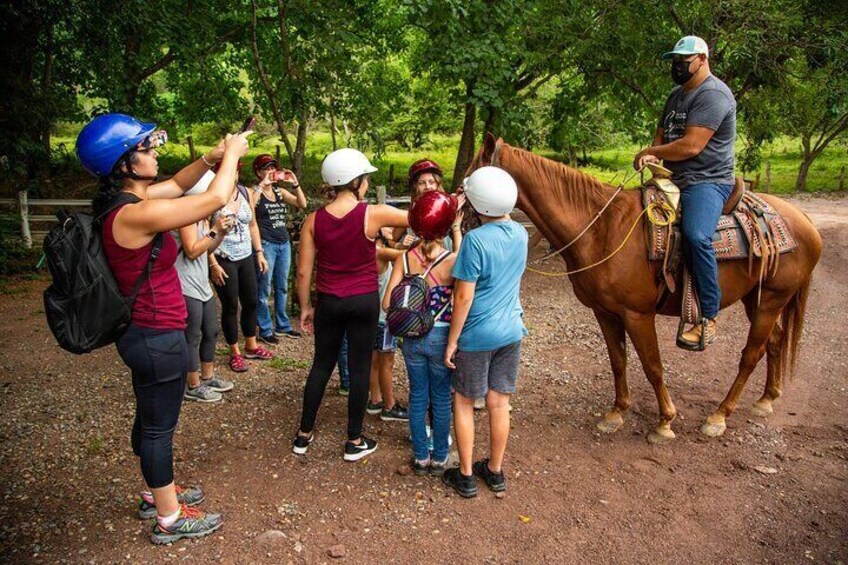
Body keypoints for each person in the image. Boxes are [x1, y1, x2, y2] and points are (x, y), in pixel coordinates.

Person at [76, 113, 250, 543]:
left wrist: (211, 156)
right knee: (158, 427)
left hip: (147, 333)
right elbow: (213, 201)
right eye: (146, 149)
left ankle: (160, 492)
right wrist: (231, 157)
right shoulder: (136, 215)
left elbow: (176, 186)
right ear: (124, 164)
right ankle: (169, 517)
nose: (154, 152)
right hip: (156, 334)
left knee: (152, 418)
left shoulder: (128, 202)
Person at [293, 148, 408, 461]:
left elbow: (304, 271)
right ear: (357, 182)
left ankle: (303, 435)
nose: (368, 183)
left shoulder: (314, 220)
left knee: (321, 364)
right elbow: (419, 219)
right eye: (366, 178)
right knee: (359, 367)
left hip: (330, 301)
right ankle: (354, 440)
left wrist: (305, 306)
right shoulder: (374, 214)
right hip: (364, 301)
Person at [633, 35, 737, 348]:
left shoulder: (714, 95)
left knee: (696, 235)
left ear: (702, 59)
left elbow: (691, 145)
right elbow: (662, 136)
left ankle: (709, 313)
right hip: (673, 178)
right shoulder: (675, 96)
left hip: (707, 181)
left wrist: (652, 149)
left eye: (683, 60)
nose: (677, 66)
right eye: (674, 61)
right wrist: (653, 157)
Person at [442, 166, 527, 498]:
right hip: (510, 330)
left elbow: (463, 296)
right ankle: (494, 470)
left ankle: (464, 475)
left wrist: (452, 341)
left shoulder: (475, 241)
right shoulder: (520, 233)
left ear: (476, 204)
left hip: (477, 335)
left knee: (463, 402)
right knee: (499, 402)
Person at [384, 191, 462, 477]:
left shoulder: (404, 259)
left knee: (418, 395)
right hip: (441, 337)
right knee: (441, 397)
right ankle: (440, 456)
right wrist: (456, 227)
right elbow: (464, 294)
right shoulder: (453, 261)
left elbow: (386, 303)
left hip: (412, 339)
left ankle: (420, 456)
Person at [173, 170, 235, 403]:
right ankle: (193, 384)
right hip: (185, 283)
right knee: (192, 335)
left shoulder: (202, 217)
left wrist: (221, 233)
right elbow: (191, 250)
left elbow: (208, 248)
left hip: (201, 282)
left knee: (211, 330)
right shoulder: (186, 217)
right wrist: (215, 230)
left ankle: (207, 377)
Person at [210, 163, 274, 372]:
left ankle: (251, 344)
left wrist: (259, 253)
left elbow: (252, 225)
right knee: (230, 305)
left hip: (246, 255)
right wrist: (212, 263)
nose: (232, 175)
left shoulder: (244, 192)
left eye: (235, 171)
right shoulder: (211, 197)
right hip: (223, 257)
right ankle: (234, 351)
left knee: (251, 301)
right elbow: (202, 232)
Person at [251, 154, 307, 344]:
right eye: (266, 168)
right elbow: (250, 206)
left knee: (282, 287)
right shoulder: (254, 192)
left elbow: (302, 204)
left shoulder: (280, 192)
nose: (271, 171)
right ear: (258, 172)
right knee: (264, 288)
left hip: (284, 243)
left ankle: (283, 325)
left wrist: (295, 183)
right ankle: (265, 328)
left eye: (273, 168)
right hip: (266, 244)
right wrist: (262, 185)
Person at [366, 229, 408, 422]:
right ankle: (389, 406)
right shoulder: (379, 251)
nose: (393, 230)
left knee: (374, 361)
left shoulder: (366, 250)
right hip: (384, 318)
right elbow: (407, 256)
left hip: (371, 316)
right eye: (388, 227)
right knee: (387, 363)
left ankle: (375, 400)